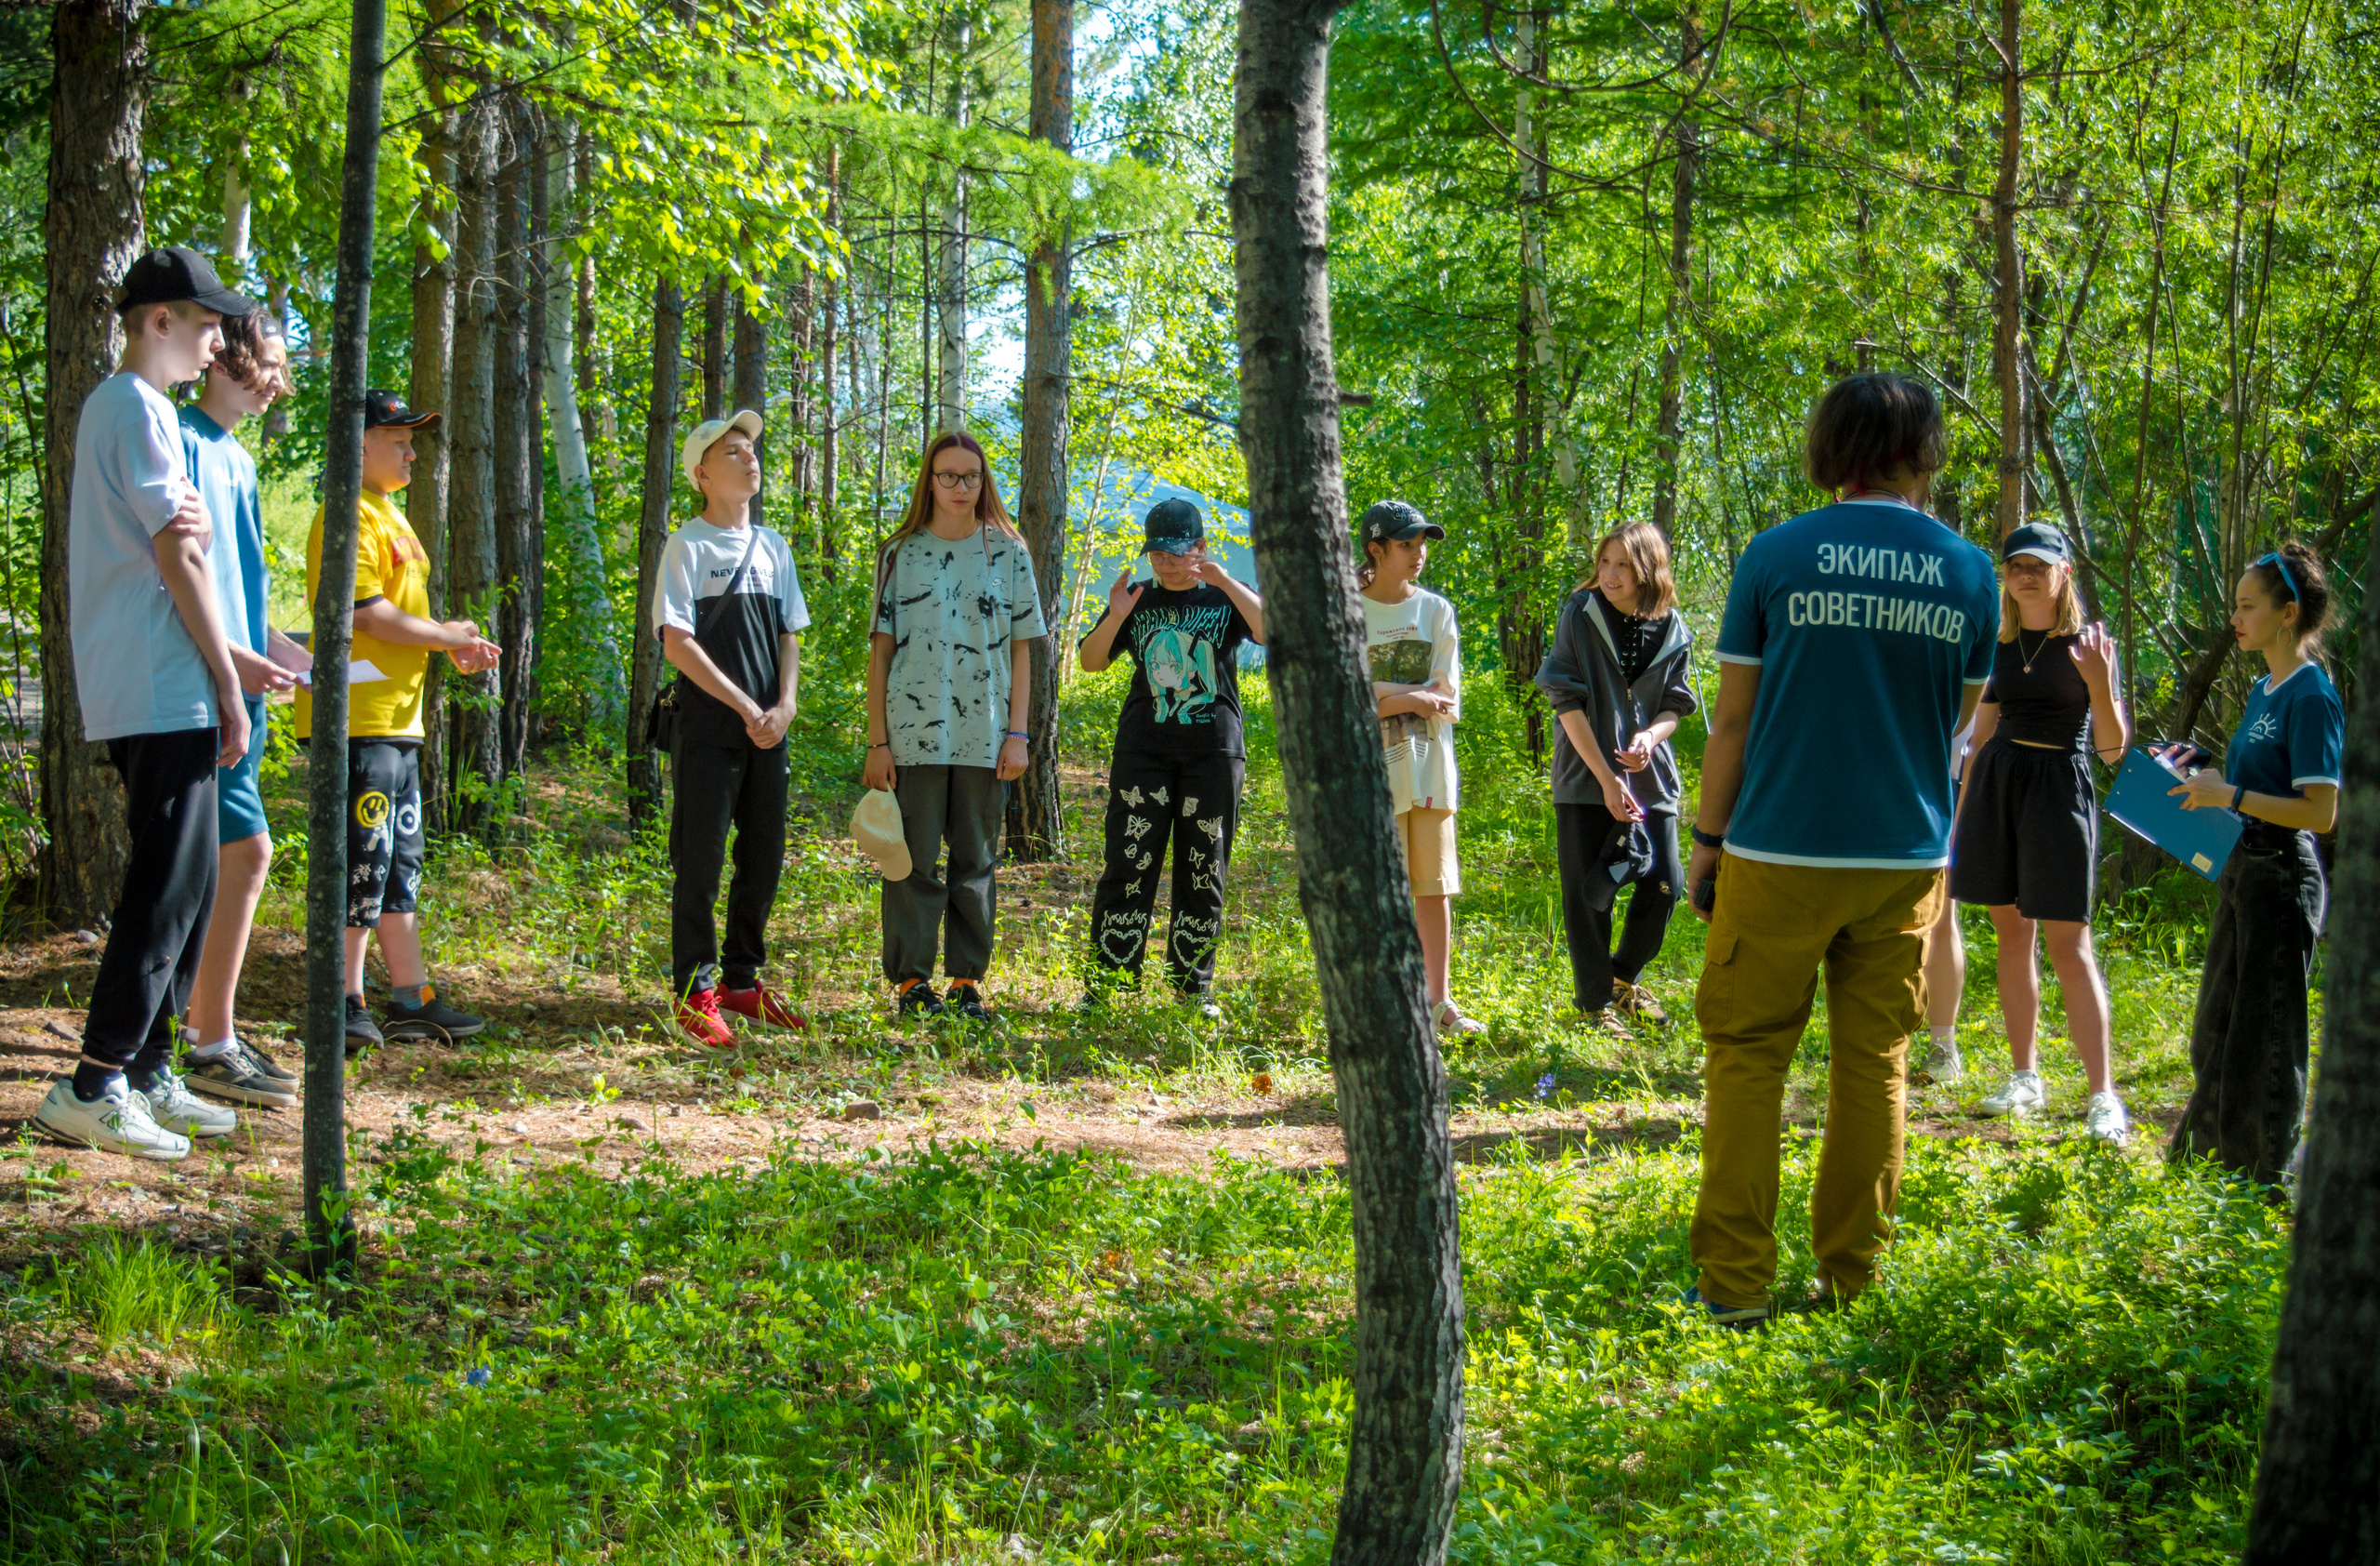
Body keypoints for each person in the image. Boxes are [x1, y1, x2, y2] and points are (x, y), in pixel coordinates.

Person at [1685, 373, 1998, 1326]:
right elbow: (1954, 722)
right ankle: (1849, 1280)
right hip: (1902, 854)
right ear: (1923, 451)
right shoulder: (1969, 570)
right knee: (1875, 1063)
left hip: (1776, 847)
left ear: (1831, 448)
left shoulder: (1777, 554)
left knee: (1747, 1058)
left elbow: (1731, 720)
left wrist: (1705, 841)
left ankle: (1735, 1287)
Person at [33, 246, 255, 1160]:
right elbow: (180, 554)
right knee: (165, 889)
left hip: (167, 683)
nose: (216, 342)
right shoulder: (133, 408)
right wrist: (232, 682)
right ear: (155, 321)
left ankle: (150, 1070)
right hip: (161, 687)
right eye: (204, 325)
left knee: (194, 879)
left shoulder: (139, 413)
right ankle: (93, 1081)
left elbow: (181, 548)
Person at [294, 391, 501, 1050]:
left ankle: (411, 998)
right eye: (398, 439)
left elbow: (398, 621)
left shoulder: (390, 515)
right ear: (357, 445)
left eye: (414, 439)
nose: (412, 451)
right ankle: (341, 1000)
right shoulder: (345, 514)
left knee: (398, 861)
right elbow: (358, 613)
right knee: (362, 860)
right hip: (356, 720)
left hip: (398, 722)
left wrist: (450, 645)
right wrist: (444, 636)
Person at [1950, 523, 2133, 1141]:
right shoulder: (1997, 643)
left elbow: (2111, 752)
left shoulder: (2087, 643)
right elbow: (1978, 738)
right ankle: (2025, 1076)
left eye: (2039, 564)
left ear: (2064, 574)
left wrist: (2103, 686)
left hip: (2060, 789)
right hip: (2000, 785)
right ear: (2005, 576)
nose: (2026, 574)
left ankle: (2103, 1095)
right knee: (2011, 933)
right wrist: (1959, 818)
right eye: (2015, 565)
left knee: (2068, 945)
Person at [2165, 542, 2340, 1188]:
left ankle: (2264, 1179)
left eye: (2247, 606)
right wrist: (2201, 772)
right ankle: (2208, 1162)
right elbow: (2253, 781)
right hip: (2243, 870)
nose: (2234, 618)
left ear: (2287, 613)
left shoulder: (2312, 695)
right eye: (2234, 606)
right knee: (2218, 1026)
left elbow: (2320, 813)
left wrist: (2230, 794)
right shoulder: (2266, 687)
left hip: (2283, 875)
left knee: (2266, 1035)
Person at [864, 433, 1048, 1022]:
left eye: (972, 476)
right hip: (911, 733)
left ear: (984, 481)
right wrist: (877, 741)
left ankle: (968, 982)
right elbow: (881, 652)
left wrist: (1018, 734)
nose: (961, 487)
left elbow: (1023, 651)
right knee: (912, 860)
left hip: (986, 733)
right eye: (948, 476)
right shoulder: (899, 552)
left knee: (976, 857)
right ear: (929, 481)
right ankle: (911, 983)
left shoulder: (1010, 552)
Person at [179, 307, 308, 1108]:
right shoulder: (182, 441)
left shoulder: (238, 460)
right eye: (269, 362)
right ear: (221, 359)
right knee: (247, 853)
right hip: (201, 690)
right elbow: (180, 574)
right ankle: (209, 1040)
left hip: (241, 692)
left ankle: (202, 1028)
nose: (280, 382)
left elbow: (241, 587)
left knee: (226, 858)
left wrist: (283, 652)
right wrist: (232, 660)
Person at [654, 410, 812, 1047]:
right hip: (711, 728)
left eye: (752, 451)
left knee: (764, 853)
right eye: (734, 454)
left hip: (770, 731)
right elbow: (677, 643)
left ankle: (742, 982)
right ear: (701, 475)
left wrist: (787, 706)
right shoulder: (686, 544)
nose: (750, 461)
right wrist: (747, 707)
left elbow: (789, 635)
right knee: (701, 856)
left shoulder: (774, 547)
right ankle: (695, 990)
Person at [1077, 498, 1266, 1015]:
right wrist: (1116, 616)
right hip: (1144, 752)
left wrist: (1225, 581)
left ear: (1200, 549)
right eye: (1157, 554)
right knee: (1129, 862)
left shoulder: (1226, 598)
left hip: (1214, 752)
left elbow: (1271, 632)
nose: (1166, 563)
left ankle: (1192, 987)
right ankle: (1111, 981)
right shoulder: (1137, 599)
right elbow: (1090, 661)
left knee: (1203, 868)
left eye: (1177, 553)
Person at [1536, 520, 1696, 1034]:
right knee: (1590, 890)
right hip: (1587, 776)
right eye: (1604, 562)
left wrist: (1651, 738)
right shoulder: (1580, 614)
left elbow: (1676, 704)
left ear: (1648, 568)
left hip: (1651, 780)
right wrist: (1606, 777)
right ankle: (1594, 1003)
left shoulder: (1674, 628)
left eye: (1623, 564)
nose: (1610, 574)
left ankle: (1623, 978)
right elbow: (1566, 701)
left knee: (1666, 883)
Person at [1357, 499, 1485, 1040]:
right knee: (1374, 891)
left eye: (1422, 544)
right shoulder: (1350, 612)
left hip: (1429, 773)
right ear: (1376, 549)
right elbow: (1348, 702)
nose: (1419, 554)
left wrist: (1383, 693)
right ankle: (1379, 1003)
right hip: (1368, 778)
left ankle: (1439, 1003)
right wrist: (1409, 697)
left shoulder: (1436, 612)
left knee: (1431, 889)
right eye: (1406, 544)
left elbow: (1446, 699)